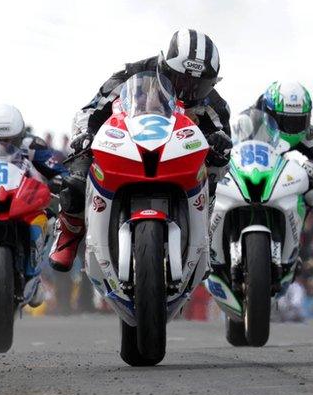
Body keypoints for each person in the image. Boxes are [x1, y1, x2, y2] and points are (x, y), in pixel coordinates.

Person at [48, 29, 234, 272]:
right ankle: (67, 237)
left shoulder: (214, 103)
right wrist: (84, 134)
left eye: (198, 86)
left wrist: (220, 145)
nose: (189, 91)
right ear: (166, 67)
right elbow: (91, 109)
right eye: (182, 81)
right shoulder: (130, 74)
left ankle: (203, 244)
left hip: (179, 156)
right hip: (126, 144)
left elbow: (226, 143)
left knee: (212, 174)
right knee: (78, 175)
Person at [0, 104, 70, 306]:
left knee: (50, 217)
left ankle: (33, 275)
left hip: (23, 201)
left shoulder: (32, 145)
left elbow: (58, 168)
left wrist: (63, 179)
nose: (3, 144)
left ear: (20, 136)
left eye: (9, 140)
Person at [253, 81, 313, 183]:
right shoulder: (251, 124)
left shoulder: (308, 132)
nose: (292, 127)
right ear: (268, 114)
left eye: (299, 121)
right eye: (285, 121)